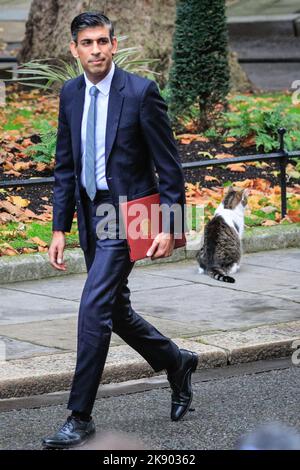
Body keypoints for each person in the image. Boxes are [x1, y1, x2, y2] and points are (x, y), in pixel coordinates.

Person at [42, 11, 198, 449]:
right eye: (87, 43)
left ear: (114, 44)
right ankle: (177, 360)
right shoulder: (71, 93)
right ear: (74, 49)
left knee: (93, 309)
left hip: (128, 214)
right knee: (116, 310)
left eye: (103, 42)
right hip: (92, 214)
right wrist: (60, 228)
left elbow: (169, 166)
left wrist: (169, 225)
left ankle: (79, 416)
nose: (96, 50)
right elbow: (65, 166)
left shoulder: (141, 92)